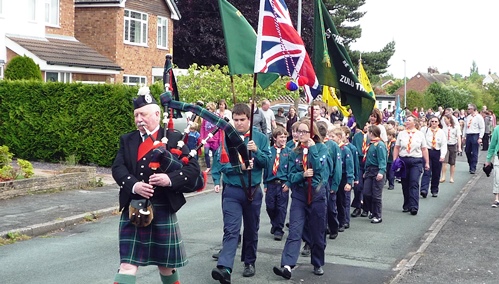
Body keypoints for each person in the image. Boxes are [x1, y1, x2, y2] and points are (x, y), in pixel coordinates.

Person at [111, 87, 201, 284]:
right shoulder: (128, 140)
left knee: (167, 266)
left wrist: (169, 180)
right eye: (136, 115)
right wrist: (134, 185)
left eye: (142, 114)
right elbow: (118, 169)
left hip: (163, 206)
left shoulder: (174, 139)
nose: (138, 119)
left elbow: (193, 171)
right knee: (127, 264)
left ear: (157, 114)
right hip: (134, 207)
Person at [211, 103, 271, 283]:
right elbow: (220, 164)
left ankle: (249, 262)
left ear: (249, 119)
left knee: (252, 229)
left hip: (253, 191)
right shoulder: (227, 138)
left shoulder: (260, 138)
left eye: (242, 120)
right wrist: (240, 167)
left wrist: (257, 152)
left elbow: (268, 163)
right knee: (231, 230)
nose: (238, 124)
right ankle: (224, 268)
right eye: (236, 120)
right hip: (232, 191)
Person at [273, 120, 330, 279]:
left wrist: (312, 149)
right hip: (299, 195)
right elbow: (290, 175)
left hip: (317, 195)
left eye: (305, 131)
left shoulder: (321, 148)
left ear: (312, 133)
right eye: (299, 131)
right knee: (295, 230)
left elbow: (319, 168)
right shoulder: (294, 152)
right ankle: (287, 265)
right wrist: (302, 175)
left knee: (317, 231)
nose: (301, 134)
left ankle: (317, 262)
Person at [392, 114, 430, 215]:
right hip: (404, 160)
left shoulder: (420, 134)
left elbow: (424, 149)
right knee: (405, 183)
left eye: (409, 120)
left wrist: (427, 162)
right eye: (406, 120)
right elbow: (397, 147)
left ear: (414, 123)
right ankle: (407, 204)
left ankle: (414, 206)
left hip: (416, 160)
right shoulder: (401, 134)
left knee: (414, 182)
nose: (407, 122)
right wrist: (395, 160)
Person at [264, 127, 291, 241]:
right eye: (281, 137)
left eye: (285, 137)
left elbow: (292, 169)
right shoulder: (269, 151)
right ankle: (274, 223)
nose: (283, 139)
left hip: (283, 183)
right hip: (271, 183)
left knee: (281, 207)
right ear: (275, 138)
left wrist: (289, 183)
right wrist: (265, 184)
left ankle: (279, 229)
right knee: (270, 206)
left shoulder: (289, 152)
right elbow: (266, 168)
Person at [362, 125, 387, 223]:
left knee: (376, 195)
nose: (367, 134)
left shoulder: (379, 145)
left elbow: (382, 159)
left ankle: (377, 215)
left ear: (372, 133)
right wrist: (365, 171)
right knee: (366, 193)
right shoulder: (371, 144)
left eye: (368, 132)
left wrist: (381, 171)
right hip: (369, 171)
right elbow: (368, 159)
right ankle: (372, 210)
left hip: (377, 170)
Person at [420, 116, 447, 198]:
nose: (434, 123)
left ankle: (434, 190)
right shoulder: (425, 130)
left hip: (437, 152)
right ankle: (424, 189)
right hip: (427, 151)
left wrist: (442, 156)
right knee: (427, 170)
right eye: (432, 121)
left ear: (438, 123)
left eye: (435, 121)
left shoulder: (441, 132)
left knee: (436, 172)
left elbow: (443, 144)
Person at [463, 104, 485, 174]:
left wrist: (480, 137)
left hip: (475, 134)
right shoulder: (468, 117)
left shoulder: (479, 117)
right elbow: (465, 127)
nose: (468, 110)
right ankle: (470, 163)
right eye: (468, 109)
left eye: (469, 109)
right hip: (469, 134)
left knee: (474, 152)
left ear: (473, 109)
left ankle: (473, 167)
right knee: (467, 151)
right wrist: (464, 136)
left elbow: (482, 127)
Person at [200, 102, 221, 173]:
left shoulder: (217, 116)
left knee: (215, 154)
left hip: (215, 138)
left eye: (209, 109)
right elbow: (202, 127)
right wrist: (202, 138)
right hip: (207, 138)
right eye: (207, 109)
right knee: (206, 152)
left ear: (213, 109)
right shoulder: (205, 117)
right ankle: (208, 167)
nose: (208, 110)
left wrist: (220, 139)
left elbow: (220, 129)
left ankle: (215, 167)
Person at [440, 114, 462, 183]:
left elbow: (458, 137)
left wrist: (459, 147)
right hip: (445, 145)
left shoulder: (455, 127)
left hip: (453, 145)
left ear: (449, 119)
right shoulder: (443, 127)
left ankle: (451, 177)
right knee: (444, 161)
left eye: (445, 119)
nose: (444, 121)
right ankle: (443, 176)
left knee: (452, 163)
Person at [485, 124, 499, 207]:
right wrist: (488, 159)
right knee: (497, 177)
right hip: (498, 155)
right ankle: (497, 198)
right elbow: (492, 145)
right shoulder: (497, 129)